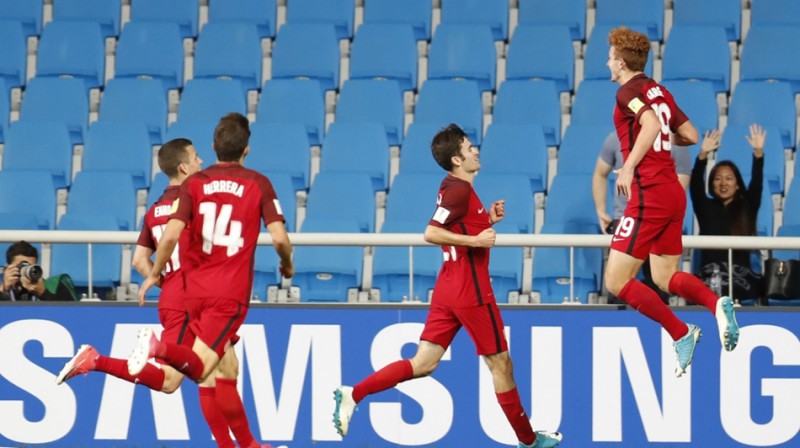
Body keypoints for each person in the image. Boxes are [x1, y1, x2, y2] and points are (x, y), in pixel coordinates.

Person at [332, 124, 563, 448]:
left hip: (448, 287)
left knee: (423, 363)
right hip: (471, 291)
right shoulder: (459, 191)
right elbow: (431, 232)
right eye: (469, 148)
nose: (476, 150)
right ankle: (528, 441)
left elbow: (453, 223)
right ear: (457, 159)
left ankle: (353, 393)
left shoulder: (454, 187)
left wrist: (487, 220)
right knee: (501, 364)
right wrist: (475, 237)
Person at [54, 139, 244, 448]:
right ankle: (96, 360)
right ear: (184, 167)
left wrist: (164, 279)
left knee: (226, 366)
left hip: (173, 296)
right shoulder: (197, 199)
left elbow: (139, 260)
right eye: (196, 158)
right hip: (194, 299)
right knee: (178, 380)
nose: (201, 162)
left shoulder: (156, 208)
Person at [129, 113, 293, 448]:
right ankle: (159, 347)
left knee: (226, 371)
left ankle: (243, 446)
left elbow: (172, 234)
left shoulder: (193, 184)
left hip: (194, 291)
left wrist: (156, 273)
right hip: (227, 293)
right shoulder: (257, 183)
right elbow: (278, 239)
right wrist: (287, 264)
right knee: (202, 368)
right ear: (246, 150)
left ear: (214, 146)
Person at [603, 26, 739, 378]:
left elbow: (648, 124)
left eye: (609, 58)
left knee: (616, 282)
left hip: (648, 192)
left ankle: (680, 332)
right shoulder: (659, 91)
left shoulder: (627, 93)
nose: (607, 63)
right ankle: (715, 304)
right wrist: (662, 137)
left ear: (620, 62)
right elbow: (691, 135)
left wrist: (628, 167)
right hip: (672, 193)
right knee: (664, 276)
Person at [593, 132, 692, 303]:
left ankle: (663, 326)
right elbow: (600, 174)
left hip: (656, 223)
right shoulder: (616, 138)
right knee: (617, 286)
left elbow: (679, 187)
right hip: (626, 221)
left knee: (660, 284)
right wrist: (601, 211)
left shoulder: (674, 142)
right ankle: (618, 325)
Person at [691, 125, 766, 299]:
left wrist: (758, 153)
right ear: (711, 184)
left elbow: (756, 184)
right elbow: (695, 185)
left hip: (741, 279)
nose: (723, 183)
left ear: (738, 184)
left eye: (729, 178)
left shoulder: (747, 206)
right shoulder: (705, 207)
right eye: (717, 178)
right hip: (710, 277)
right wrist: (703, 155)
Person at [0, 241, 75, 301]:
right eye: (22, 266)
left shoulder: (54, 286)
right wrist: (3, 290)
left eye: (30, 266)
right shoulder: (3, 289)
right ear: (7, 268)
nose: (26, 270)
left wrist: (43, 292)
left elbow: (71, 313)